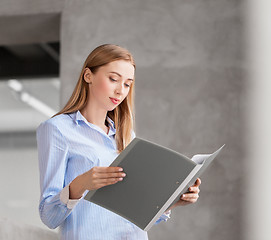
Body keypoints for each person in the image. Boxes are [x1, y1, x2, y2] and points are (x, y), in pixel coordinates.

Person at [36, 44, 201, 240]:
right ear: (88, 75)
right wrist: (80, 184)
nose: (120, 91)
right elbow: (49, 216)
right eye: (113, 79)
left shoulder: (125, 135)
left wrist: (172, 201)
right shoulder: (57, 129)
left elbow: (136, 210)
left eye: (127, 84)